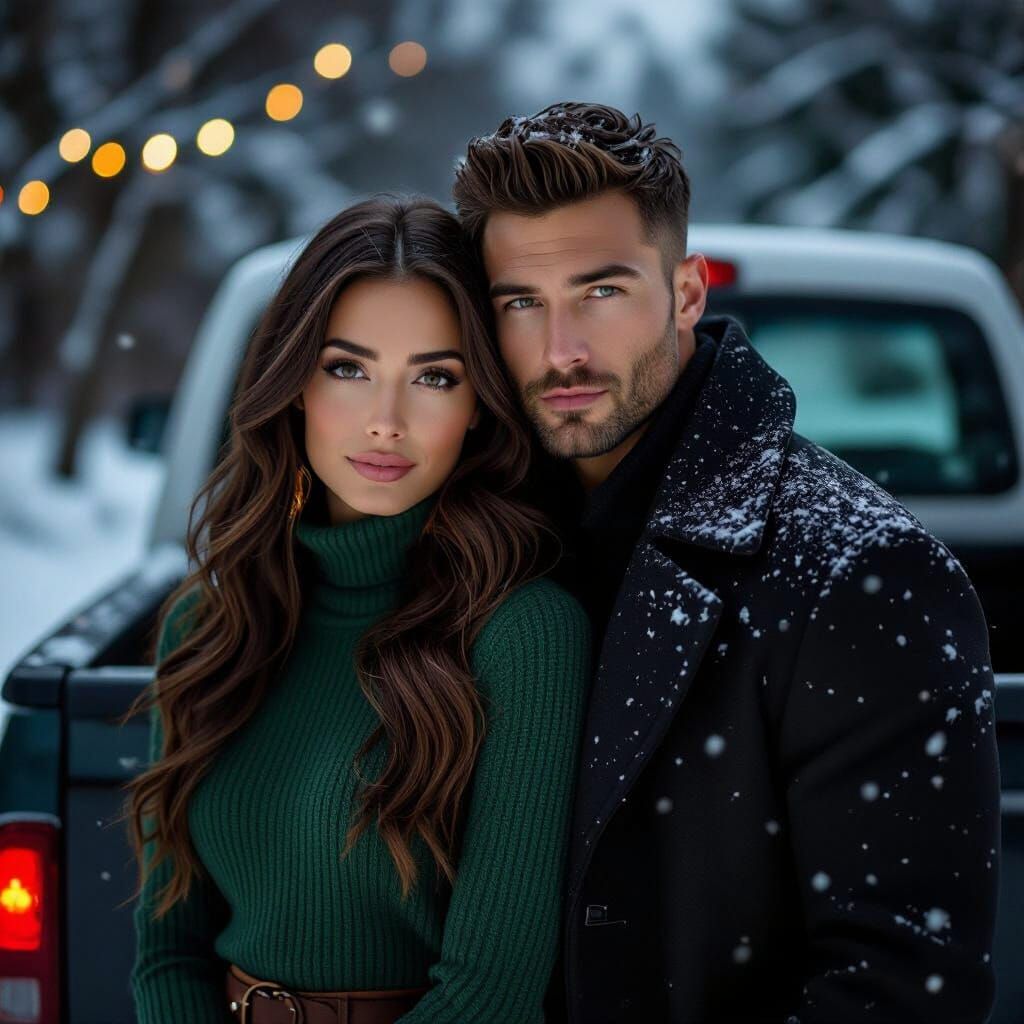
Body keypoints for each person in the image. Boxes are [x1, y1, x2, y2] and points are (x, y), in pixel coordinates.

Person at [452, 102, 1002, 1024]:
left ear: (688, 292)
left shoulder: (862, 573)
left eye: (602, 290)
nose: (562, 351)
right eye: (521, 304)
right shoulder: (467, 542)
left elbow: (899, 989)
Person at [120, 194, 592, 1024]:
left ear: (478, 404)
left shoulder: (522, 636)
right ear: (295, 381)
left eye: (434, 378)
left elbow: (492, 991)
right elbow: (168, 949)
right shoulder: (210, 626)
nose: (385, 422)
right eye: (349, 367)